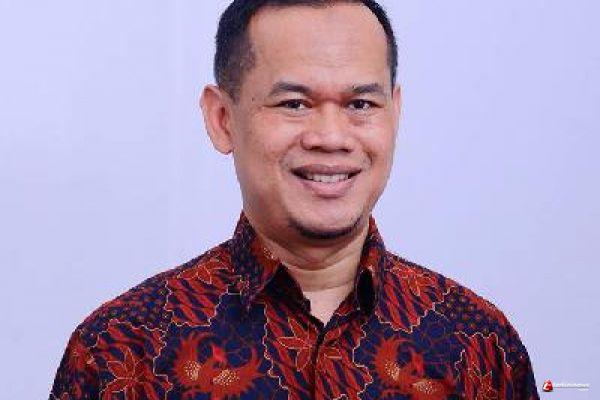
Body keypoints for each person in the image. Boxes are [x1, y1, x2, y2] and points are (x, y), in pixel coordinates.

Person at [50, 1, 540, 399]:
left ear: (395, 114)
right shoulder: (121, 351)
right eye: (294, 104)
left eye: (360, 104)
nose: (331, 137)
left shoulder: (478, 345)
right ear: (222, 119)